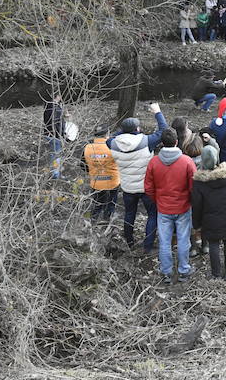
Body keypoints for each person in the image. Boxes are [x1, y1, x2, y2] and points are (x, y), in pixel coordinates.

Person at [107, 103, 169, 251]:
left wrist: (122, 130)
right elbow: (164, 131)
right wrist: (157, 112)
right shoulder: (146, 141)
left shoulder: (112, 143)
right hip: (146, 187)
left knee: (129, 214)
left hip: (128, 187)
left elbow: (111, 137)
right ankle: (147, 246)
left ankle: (129, 242)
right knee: (152, 215)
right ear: (138, 129)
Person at [144, 128, 196, 284]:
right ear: (176, 142)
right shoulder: (187, 161)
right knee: (183, 239)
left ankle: (166, 271)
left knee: (165, 241)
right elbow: (194, 186)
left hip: (163, 208)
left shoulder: (153, 162)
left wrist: (157, 199)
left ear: (162, 143)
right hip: (183, 207)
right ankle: (183, 270)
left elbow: (148, 187)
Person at [191, 143, 226, 281]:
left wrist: (197, 223)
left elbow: (197, 205)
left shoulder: (199, 183)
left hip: (210, 219)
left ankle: (216, 274)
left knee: (213, 243)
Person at [82, 124, 120, 222]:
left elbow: (82, 165)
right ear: (107, 134)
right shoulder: (113, 146)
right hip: (113, 181)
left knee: (97, 202)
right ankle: (107, 220)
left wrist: (92, 170)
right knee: (111, 202)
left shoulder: (87, 147)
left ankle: (93, 220)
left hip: (96, 181)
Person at [43, 93, 65, 179]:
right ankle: (55, 173)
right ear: (58, 97)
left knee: (53, 153)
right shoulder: (56, 108)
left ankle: (54, 170)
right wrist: (62, 134)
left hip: (47, 133)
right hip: (55, 134)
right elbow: (57, 123)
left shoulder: (47, 106)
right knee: (57, 154)